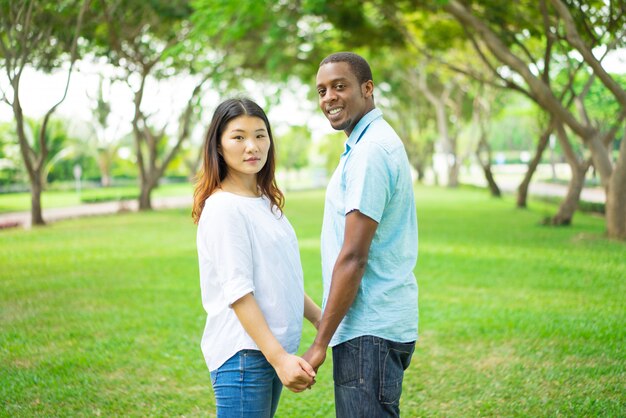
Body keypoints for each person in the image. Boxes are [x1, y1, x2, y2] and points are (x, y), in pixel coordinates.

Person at [302, 52, 419, 417]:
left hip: (369, 332)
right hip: (374, 327)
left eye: (339, 86)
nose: (329, 98)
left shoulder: (370, 152)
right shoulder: (363, 146)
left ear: (367, 89)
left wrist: (319, 343)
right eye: (322, 91)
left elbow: (354, 256)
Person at [192, 97, 322, 417]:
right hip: (245, 357)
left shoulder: (264, 201)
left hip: (267, 350)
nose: (252, 146)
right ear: (219, 146)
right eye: (238, 137)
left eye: (260, 135)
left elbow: (281, 277)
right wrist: (279, 359)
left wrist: (322, 320)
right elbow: (238, 292)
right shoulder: (224, 208)